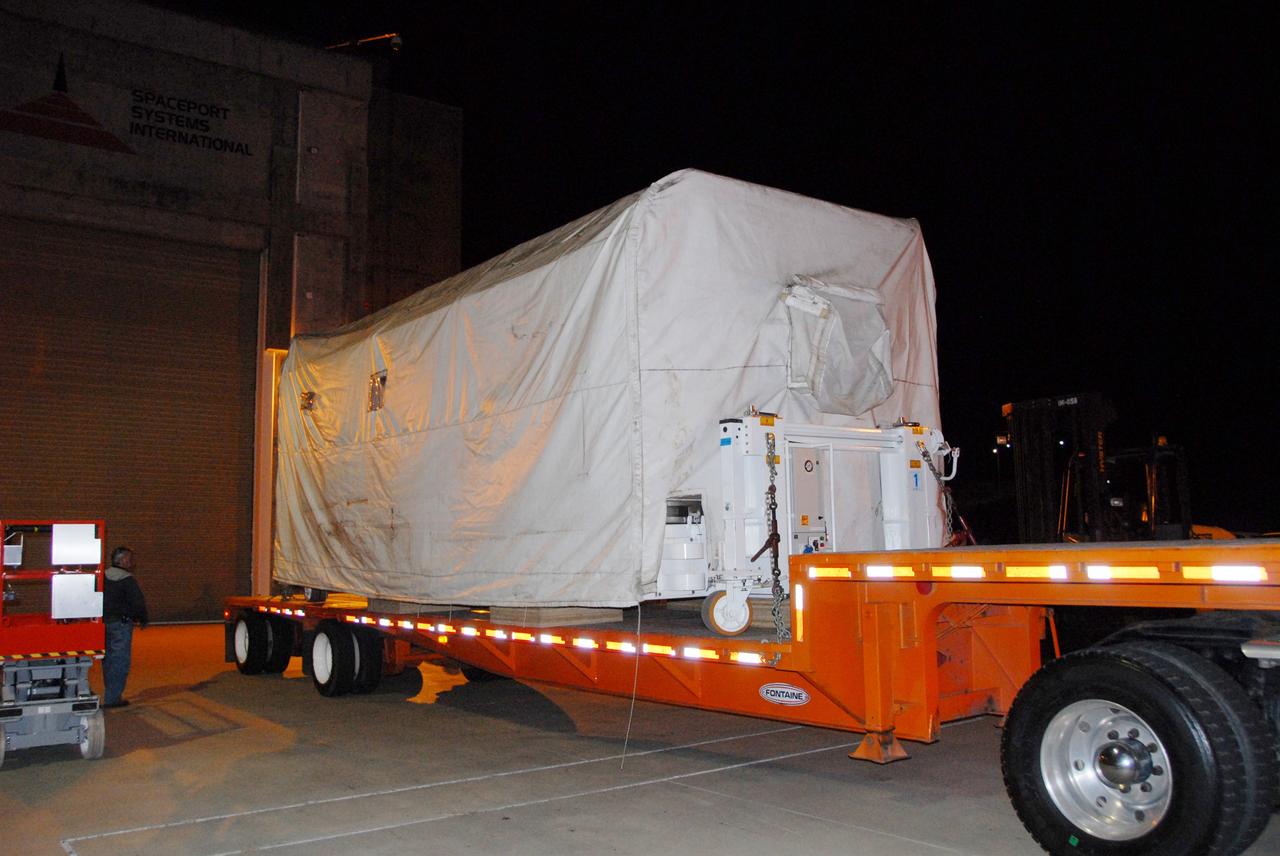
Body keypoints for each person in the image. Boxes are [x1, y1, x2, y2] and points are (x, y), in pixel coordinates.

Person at [102, 546, 148, 708]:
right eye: (129, 559)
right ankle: (113, 698)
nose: (132, 562)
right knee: (119, 660)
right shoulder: (127, 580)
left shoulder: (103, 577)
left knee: (107, 660)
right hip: (120, 625)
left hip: (103, 625)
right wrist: (142, 618)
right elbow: (138, 603)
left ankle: (110, 693)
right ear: (122, 560)